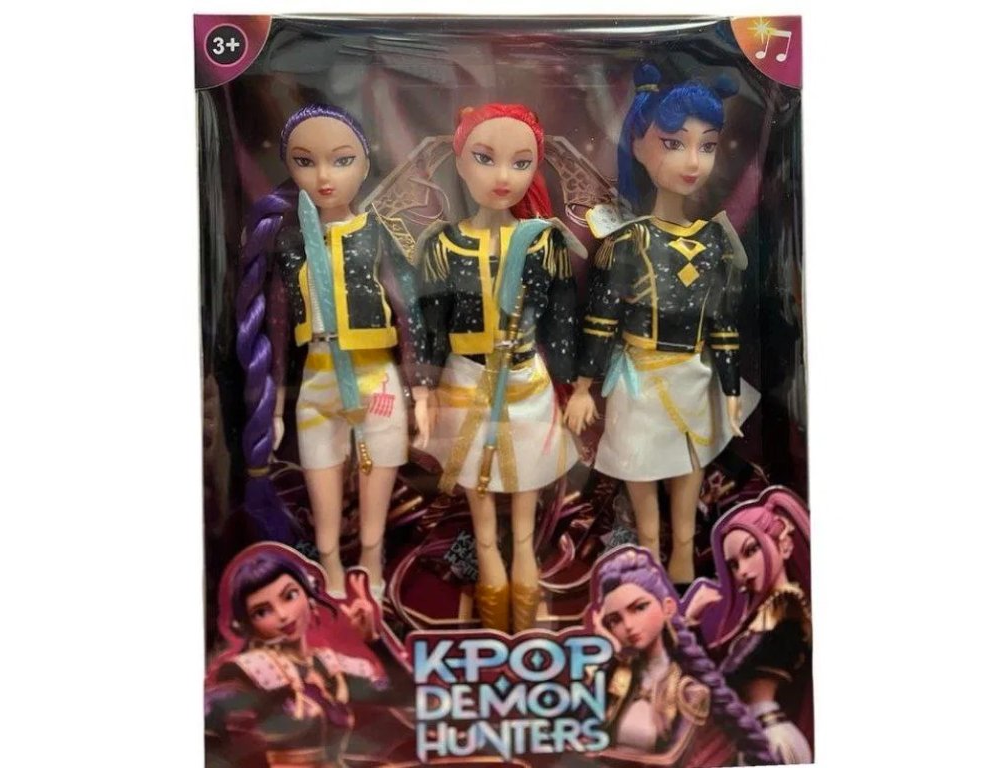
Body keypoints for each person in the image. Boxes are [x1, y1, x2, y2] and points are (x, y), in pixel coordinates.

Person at [236, 104, 432, 598]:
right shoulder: (292, 243)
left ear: (365, 165)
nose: (324, 177)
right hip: (318, 378)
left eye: (342, 160)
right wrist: (273, 403)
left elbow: (407, 308)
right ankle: (329, 566)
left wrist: (422, 390)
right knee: (321, 489)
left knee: (377, 484)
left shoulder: (377, 233)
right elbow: (278, 324)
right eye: (306, 162)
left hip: (375, 377)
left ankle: (372, 560)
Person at [565, 62, 747, 586]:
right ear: (640, 146)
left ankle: (684, 557)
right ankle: (649, 554)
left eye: (707, 146)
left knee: (690, 463)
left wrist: (730, 388)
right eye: (674, 143)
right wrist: (583, 386)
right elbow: (601, 319)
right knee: (641, 466)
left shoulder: (713, 240)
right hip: (640, 378)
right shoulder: (628, 241)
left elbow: (722, 321)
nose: (693, 161)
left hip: (694, 373)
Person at [418, 102, 580, 632]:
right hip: (465, 382)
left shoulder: (544, 241)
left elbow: (561, 322)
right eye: (485, 159)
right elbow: (430, 322)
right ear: (459, 162)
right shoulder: (443, 244)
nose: (503, 176)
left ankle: (525, 577)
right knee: (481, 509)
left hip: (528, 382)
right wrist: (423, 388)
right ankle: (490, 574)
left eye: (521, 162)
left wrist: (577, 386)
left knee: (526, 509)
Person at [587, 547, 774, 766]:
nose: (628, 625)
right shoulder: (620, 676)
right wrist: (607, 652)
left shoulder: (687, 689)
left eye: (639, 608)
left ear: (667, 608)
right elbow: (580, 728)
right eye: (614, 620)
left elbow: (672, 759)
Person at [205, 544, 383, 768]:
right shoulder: (253, 670)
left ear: (308, 593)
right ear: (248, 624)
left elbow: (406, 695)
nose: (283, 615)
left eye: (290, 595)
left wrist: (373, 640)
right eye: (262, 612)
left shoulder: (330, 664)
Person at [683, 487, 812, 763]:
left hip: (772, 742)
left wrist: (690, 623)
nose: (742, 571)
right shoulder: (769, 613)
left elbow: (724, 681)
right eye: (733, 564)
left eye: (751, 551)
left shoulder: (785, 607)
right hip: (760, 736)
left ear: (784, 545)